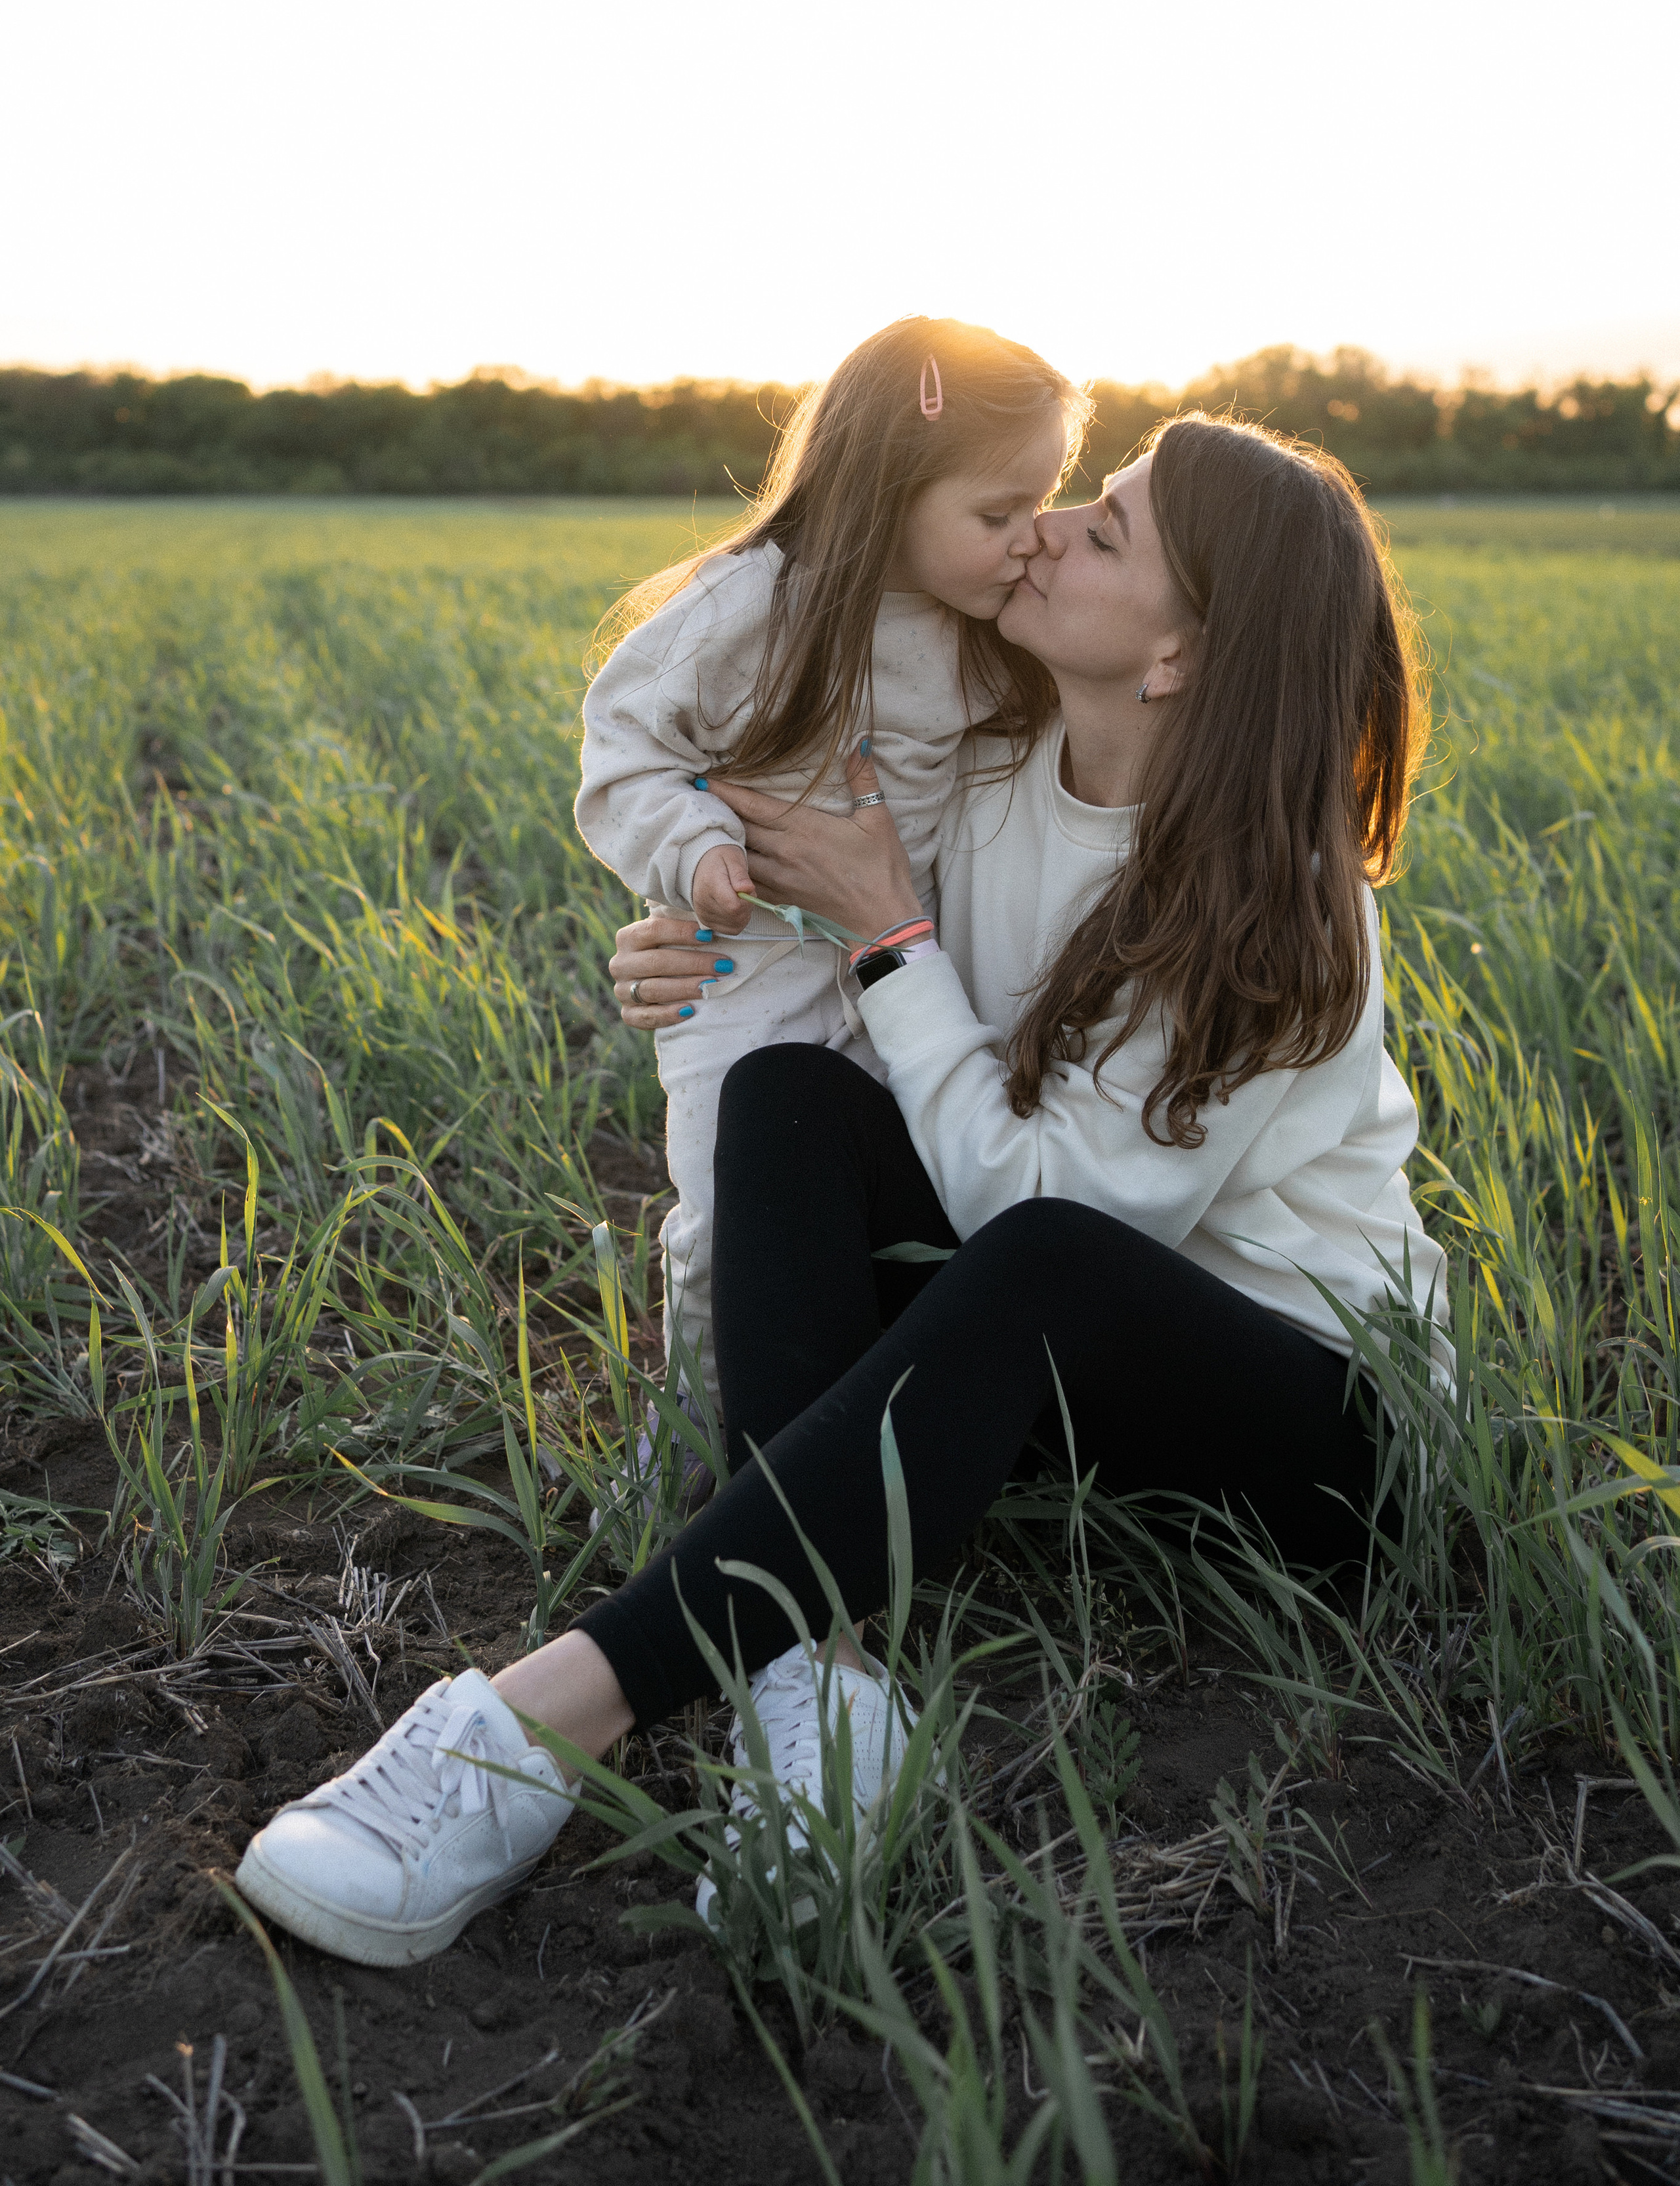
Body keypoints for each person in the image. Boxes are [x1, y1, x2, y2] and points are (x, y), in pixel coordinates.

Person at [235, 413, 1448, 1969]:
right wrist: (689, 938)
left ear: (1175, 660)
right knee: (787, 1097)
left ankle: (526, 1731)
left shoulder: (1283, 908)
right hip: (1052, 1351)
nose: (1054, 527)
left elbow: (1038, 1206)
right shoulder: (995, 767)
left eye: (1111, 530)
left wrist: (885, 927)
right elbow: (834, 972)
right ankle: (831, 1689)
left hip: (1313, 1432)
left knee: (1046, 1260)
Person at [573, 315, 1088, 1411]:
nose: (1031, 539)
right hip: (748, 975)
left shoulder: (986, 629)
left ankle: (858, 1420)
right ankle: (700, 1443)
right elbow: (625, 756)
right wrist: (697, 853)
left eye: (1042, 507)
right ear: (887, 487)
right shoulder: (746, 609)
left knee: (898, 1209)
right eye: (1000, 513)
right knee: (728, 1218)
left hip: (917, 977)